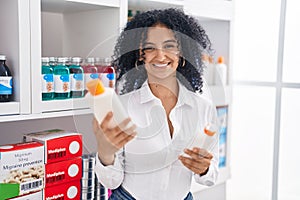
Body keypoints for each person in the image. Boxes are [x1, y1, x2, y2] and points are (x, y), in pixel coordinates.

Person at [92, 8, 219, 200]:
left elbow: (210, 176)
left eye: (169, 46)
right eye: (150, 48)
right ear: (140, 54)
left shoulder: (203, 107)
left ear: (182, 52)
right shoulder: (122, 107)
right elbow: (111, 182)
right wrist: (106, 153)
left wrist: (204, 168)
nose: (160, 56)